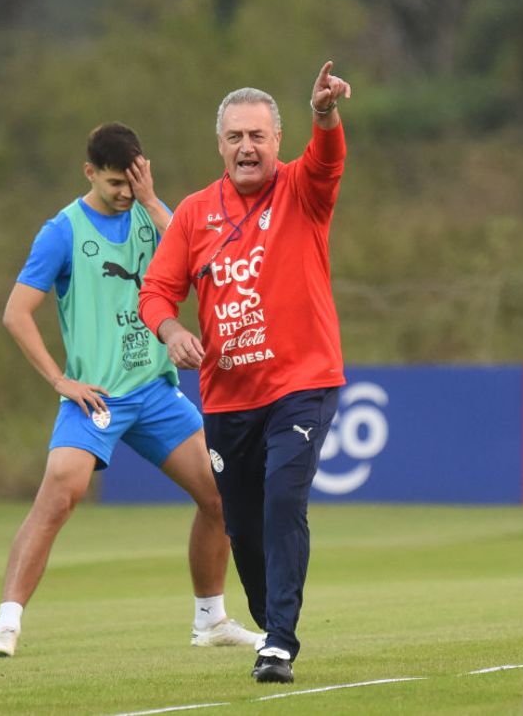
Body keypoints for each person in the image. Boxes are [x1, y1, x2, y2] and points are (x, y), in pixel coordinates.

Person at [0, 123, 259, 658]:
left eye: (131, 182)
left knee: (221, 496)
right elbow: (16, 314)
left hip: (155, 391)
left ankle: (211, 621)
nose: (123, 193)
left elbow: (208, 256)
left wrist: (152, 199)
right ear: (90, 173)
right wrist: (60, 380)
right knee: (60, 494)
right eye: (114, 183)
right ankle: (6, 625)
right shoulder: (61, 231)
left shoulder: (152, 215)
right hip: (97, 398)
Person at [138, 62, 352, 684]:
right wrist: (172, 330)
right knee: (244, 527)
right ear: (220, 146)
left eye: (257, 135)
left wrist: (325, 115)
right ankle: (268, 615)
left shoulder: (303, 190)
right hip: (229, 399)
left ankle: (279, 641)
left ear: (277, 142)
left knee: (286, 496)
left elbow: (329, 159)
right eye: (235, 137)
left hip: (303, 383)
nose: (247, 147)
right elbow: (157, 291)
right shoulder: (194, 215)